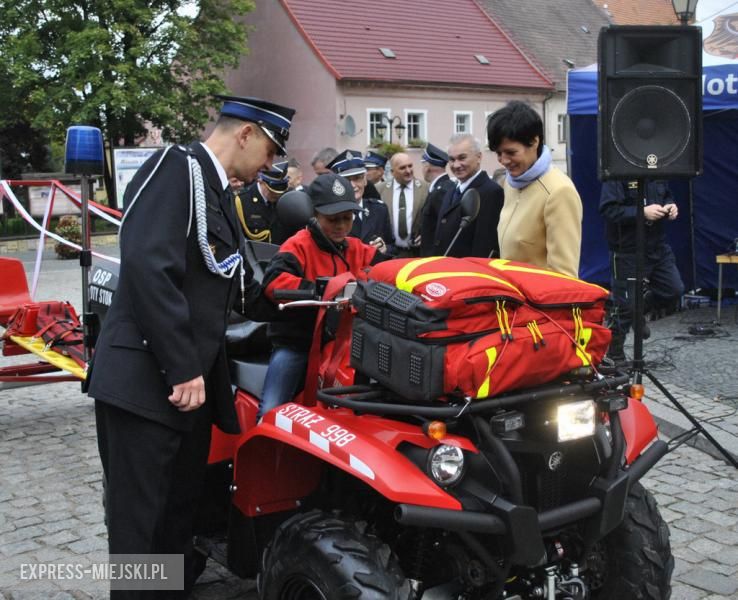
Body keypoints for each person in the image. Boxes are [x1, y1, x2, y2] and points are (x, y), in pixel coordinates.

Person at [87, 94, 295, 598]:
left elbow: (234, 284)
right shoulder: (175, 168)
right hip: (148, 383)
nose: (270, 165)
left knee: (177, 524)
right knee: (141, 533)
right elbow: (148, 268)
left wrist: (314, 300)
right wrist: (182, 368)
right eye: (269, 151)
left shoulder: (218, 191)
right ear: (245, 133)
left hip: (188, 395)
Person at [257, 173, 388, 418]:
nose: (340, 226)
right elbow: (274, 282)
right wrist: (319, 290)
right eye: (332, 219)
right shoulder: (297, 246)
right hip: (298, 343)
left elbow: (390, 270)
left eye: (346, 219)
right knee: (271, 408)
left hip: (346, 346)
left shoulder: (356, 248)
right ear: (314, 216)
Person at [488, 101, 582, 277]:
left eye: (511, 152)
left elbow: (564, 276)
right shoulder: (511, 183)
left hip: (537, 302)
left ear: (534, 142)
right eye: (498, 153)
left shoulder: (559, 191)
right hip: (511, 299)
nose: (503, 160)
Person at [599, 179, 684, 363]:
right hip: (626, 249)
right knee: (625, 306)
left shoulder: (657, 172)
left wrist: (671, 205)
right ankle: (615, 353)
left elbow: (667, 194)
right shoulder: (618, 174)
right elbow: (608, 210)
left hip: (657, 246)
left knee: (674, 290)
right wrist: (642, 212)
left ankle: (639, 313)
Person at [426, 133, 503, 258]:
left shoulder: (491, 192)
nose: (456, 165)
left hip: (466, 273)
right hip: (442, 269)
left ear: (478, 157)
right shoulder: (451, 189)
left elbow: (484, 247)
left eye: (462, 158)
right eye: (451, 159)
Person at [327, 149, 393, 253]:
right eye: (347, 180)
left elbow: (392, 247)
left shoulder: (379, 210)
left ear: (365, 180)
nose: (353, 185)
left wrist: (384, 249)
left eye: (357, 178)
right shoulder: (330, 215)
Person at [379, 152, 429, 257]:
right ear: (392, 172)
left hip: (418, 254)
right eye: (402, 168)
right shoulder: (380, 190)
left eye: (410, 166)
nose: (408, 171)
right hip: (390, 255)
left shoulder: (426, 189)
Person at [236, 159, 295, 245]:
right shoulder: (242, 201)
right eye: (272, 190)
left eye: (280, 190)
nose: (277, 194)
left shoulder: (288, 198)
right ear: (260, 180)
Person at [419, 142, 456, 256]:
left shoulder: (442, 190)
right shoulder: (440, 187)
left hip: (435, 256)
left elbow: (443, 228)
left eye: (423, 164)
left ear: (428, 167)